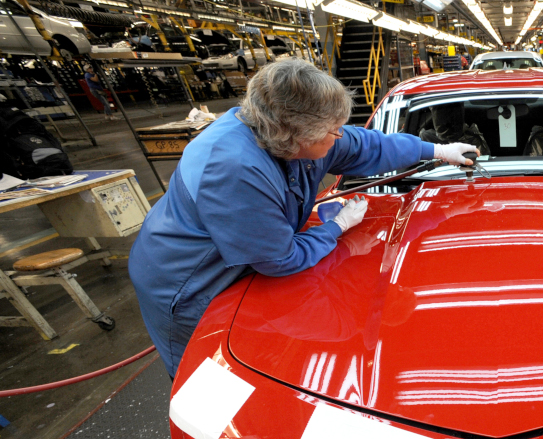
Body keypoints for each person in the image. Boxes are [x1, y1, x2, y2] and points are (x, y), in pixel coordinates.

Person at [129, 59, 478, 378]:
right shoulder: (233, 169)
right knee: (213, 375)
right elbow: (278, 259)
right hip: (189, 280)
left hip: (244, 255)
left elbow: (365, 145)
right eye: (333, 131)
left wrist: (434, 150)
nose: (340, 136)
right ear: (293, 137)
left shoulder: (294, 131)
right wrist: (336, 228)